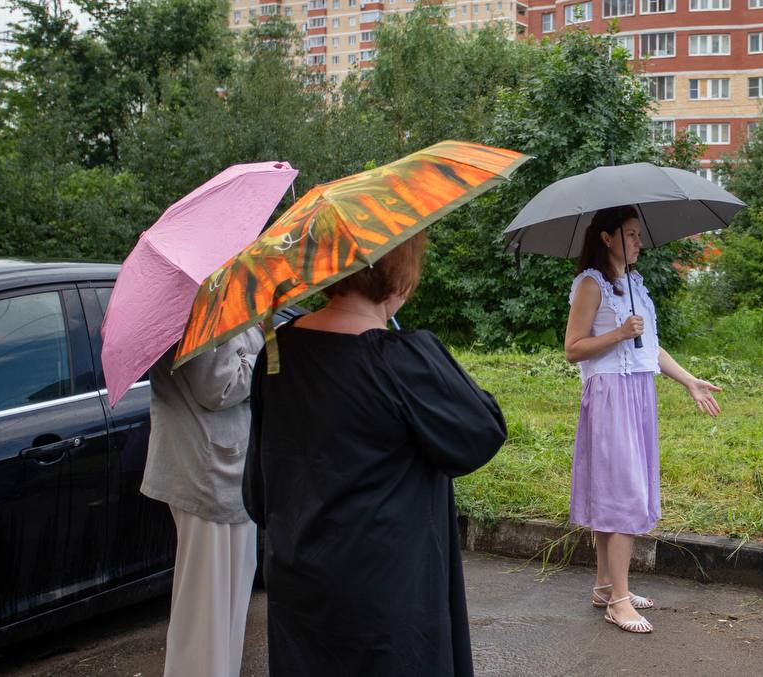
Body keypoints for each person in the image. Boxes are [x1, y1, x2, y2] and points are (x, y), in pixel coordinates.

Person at [243, 231, 506, 676]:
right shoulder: (402, 359)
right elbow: (481, 433)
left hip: (298, 580)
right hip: (386, 591)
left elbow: (258, 494)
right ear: (398, 273)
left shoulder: (277, 351)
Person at [564, 206, 722, 634]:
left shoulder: (633, 284)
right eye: (630, 234)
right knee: (623, 494)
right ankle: (618, 601)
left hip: (637, 393)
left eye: (638, 234)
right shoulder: (591, 285)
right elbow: (573, 348)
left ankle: (604, 585)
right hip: (609, 394)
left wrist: (690, 382)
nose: (638, 242)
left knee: (621, 489)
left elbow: (650, 347)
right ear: (606, 238)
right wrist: (618, 333)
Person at [141, 325, 265, 677]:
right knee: (207, 609)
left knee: (226, 602)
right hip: (207, 473)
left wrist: (247, 355)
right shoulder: (201, 307)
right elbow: (219, 386)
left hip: (221, 469)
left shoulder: (214, 303)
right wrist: (262, 359)